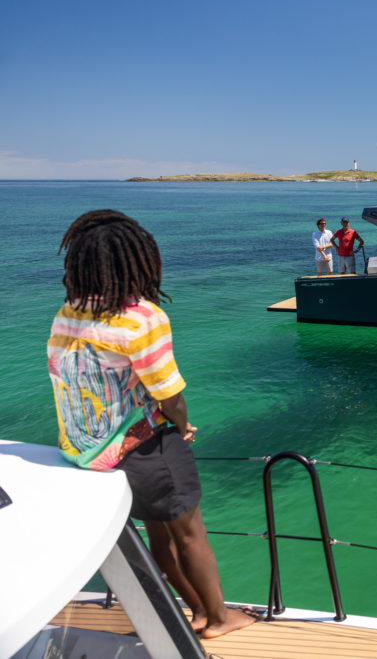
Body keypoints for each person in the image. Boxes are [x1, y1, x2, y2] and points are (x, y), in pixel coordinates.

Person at [47, 209, 256, 639]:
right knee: (191, 535)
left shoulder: (68, 312)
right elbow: (169, 394)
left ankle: (197, 610)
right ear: (138, 261)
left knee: (160, 535)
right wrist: (182, 426)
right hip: (144, 450)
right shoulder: (143, 317)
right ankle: (219, 619)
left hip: (89, 453)